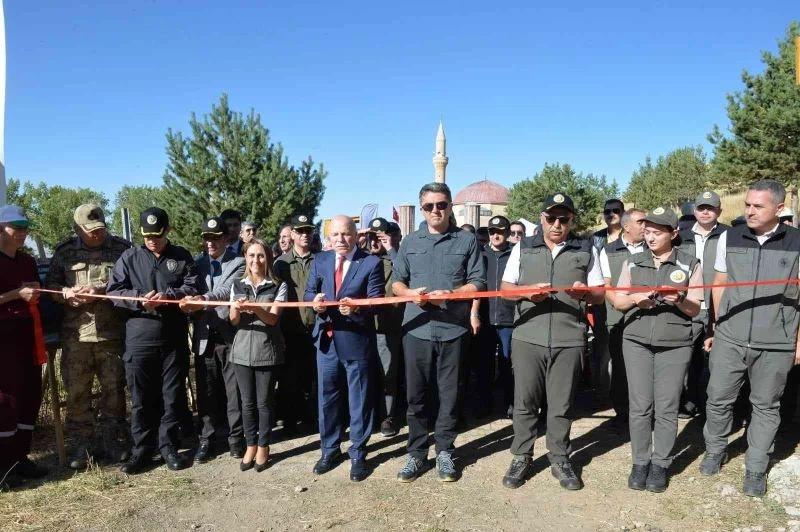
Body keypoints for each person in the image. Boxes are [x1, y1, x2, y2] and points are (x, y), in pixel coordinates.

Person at [700, 179, 800, 497]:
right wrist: (719, 325)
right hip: (730, 337)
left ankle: (756, 467)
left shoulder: (796, 242)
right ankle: (715, 450)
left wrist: (799, 341)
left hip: (776, 341)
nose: (750, 211)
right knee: (717, 398)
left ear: (779, 208)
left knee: (766, 406)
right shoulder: (729, 236)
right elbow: (719, 282)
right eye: (747, 204)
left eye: (758, 206)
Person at [499, 192, 605, 491]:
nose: (557, 224)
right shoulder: (523, 247)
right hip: (528, 336)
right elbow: (505, 288)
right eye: (551, 218)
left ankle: (559, 458)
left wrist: (585, 293)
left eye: (564, 219)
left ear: (572, 220)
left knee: (562, 403)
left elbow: (600, 293)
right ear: (541, 219)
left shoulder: (586, 248)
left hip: (569, 337)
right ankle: (522, 455)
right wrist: (526, 292)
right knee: (525, 402)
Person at [392, 182, 486, 483]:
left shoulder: (466, 240)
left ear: (449, 206)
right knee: (416, 396)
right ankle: (417, 453)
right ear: (421, 209)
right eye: (430, 206)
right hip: (417, 329)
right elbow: (397, 283)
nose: (436, 210)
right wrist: (410, 294)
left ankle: (445, 450)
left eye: (442, 205)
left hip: (452, 329)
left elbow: (478, 282)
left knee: (450, 395)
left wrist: (454, 294)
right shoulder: (409, 241)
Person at [608, 206, 703, 493]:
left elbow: (694, 309)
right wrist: (636, 299)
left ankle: (660, 463)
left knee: (666, 407)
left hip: (674, 345)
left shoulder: (690, 264)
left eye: (657, 233)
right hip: (636, 341)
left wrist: (678, 300)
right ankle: (640, 462)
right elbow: (618, 301)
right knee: (639, 406)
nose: (650, 237)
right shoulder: (633, 262)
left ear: (673, 233)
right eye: (647, 231)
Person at [107, 207, 199, 474]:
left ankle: (168, 446)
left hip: (173, 339)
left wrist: (169, 296)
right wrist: (138, 299)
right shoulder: (129, 257)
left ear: (167, 231)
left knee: (171, 397)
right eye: (147, 236)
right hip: (139, 339)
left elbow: (193, 286)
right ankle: (142, 451)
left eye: (157, 235)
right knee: (141, 399)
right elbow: (114, 291)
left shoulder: (181, 256)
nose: (152, 241)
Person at [45, 204, 131, 469]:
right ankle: (82, 446)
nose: (96, 234)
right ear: (77, 229)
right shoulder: (64, 252)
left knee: (114, 391)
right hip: (77, 337)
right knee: (77, 393)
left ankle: (113, 441)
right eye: (90, 230)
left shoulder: (122, 249)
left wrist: (102, 290)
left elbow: (132, 284)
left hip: (111, 334)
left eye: (100, 229)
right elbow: (51, 286)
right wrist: (65, 294)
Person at [304, 215, 385, 482]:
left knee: (359, 400)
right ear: (329, 237)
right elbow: (308, 293)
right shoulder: (321, 260)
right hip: (326, 342)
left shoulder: (371, 262)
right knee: (327, 398)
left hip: (356, 340)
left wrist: (357, 307)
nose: (341, 239)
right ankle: (329, 450)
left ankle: (358, 454)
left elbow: (377, 300)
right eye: (335, 234)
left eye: (346, 233)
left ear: (355, 235)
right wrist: (315, 303)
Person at [179, 217, 246, 462]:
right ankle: (206, 439)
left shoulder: (239, 263)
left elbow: (226, 291)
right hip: (204, 336)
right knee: (206, 393)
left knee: (234, 392)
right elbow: (188, 290)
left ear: (225, 239)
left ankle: (236, 439)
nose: (210, 243)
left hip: (230, 336)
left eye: (215, 238)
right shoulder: (196, 265)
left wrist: (202, 300)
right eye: (206, 238)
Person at [229, 239, 287, 472]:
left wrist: (254, 307)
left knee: (264, 403)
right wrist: (236, 309)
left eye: (261, 255)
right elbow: (233, 321)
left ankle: (264, 445)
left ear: (268, 258)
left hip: (266, 351)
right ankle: (250, 444)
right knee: (247, 403)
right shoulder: (237, 284)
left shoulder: (278, 286)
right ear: (246, 257)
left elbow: (272, 319)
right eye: (252, 255)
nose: (256, 260)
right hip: (241, 352)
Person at [0, 205, 47, 487]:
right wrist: (17, 294)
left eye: (25, 228)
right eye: (16, 228)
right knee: (5, 401)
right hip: (3, 340)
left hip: (29, 336)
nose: (22, 233)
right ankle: (3, 466)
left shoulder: (27, 261)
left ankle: (20, 458)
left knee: (30, 395)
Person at [676, 192, 729, 419]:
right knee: (687, 359)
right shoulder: (681, 237)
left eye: (711, 208)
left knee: (718, 362)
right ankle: (688, 402)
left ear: (719, 211)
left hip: (720, 307)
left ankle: (714, 409)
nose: (705, 212)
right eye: (701, 208)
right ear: (694, 211)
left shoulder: (730, 235)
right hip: (688, 307)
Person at [599, 208, 647, 423]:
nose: (645, 226)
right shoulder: (608, 251)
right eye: (641, 222)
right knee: (620, 367)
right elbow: (605, 284)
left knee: (644, 368)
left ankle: (644, 411)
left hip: (647, 316)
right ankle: (622, 412)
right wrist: (620, 304)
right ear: (626, 226)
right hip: (618, 318)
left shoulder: (652, 248)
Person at [274, 214, 318, 430]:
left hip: (316, 327)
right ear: (292, 234)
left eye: (308, 231)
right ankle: (290, 420)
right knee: (289, 379)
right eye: (300, 231)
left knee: (313, 377)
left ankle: (312, 418)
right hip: (289, 329)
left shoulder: (321, 260)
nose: (304, 235)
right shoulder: (280, 263)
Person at [474, 216, 515, 419]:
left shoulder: (516, 254)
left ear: (507, 232)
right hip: (485, 318)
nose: (496, 235)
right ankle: (484, 404)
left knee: (509, 365)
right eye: (492, 231)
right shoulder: (480, 255)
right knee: (484, 365)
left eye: (500, 231)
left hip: (509, 319)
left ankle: (511, 403)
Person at [367, 217, 405, 436]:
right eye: (372, 237)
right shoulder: (362, 258)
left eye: (380, 237)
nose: (375, 242)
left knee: (387, 374)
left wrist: (391, 249)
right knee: (366, 373)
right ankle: (369, 414)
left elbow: (406, 273)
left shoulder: (397, 257)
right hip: (365, 325)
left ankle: (387, 416)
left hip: (389, 324)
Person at [590, 199, 625, 405]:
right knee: (603, 348)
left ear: (623, 213)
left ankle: (622, 392)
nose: (611, 214)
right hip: (601, 302)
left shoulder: (630, 235)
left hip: (625, 297)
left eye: (615, 210)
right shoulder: (596, 238)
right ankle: (602, 391)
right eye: (607, 211)